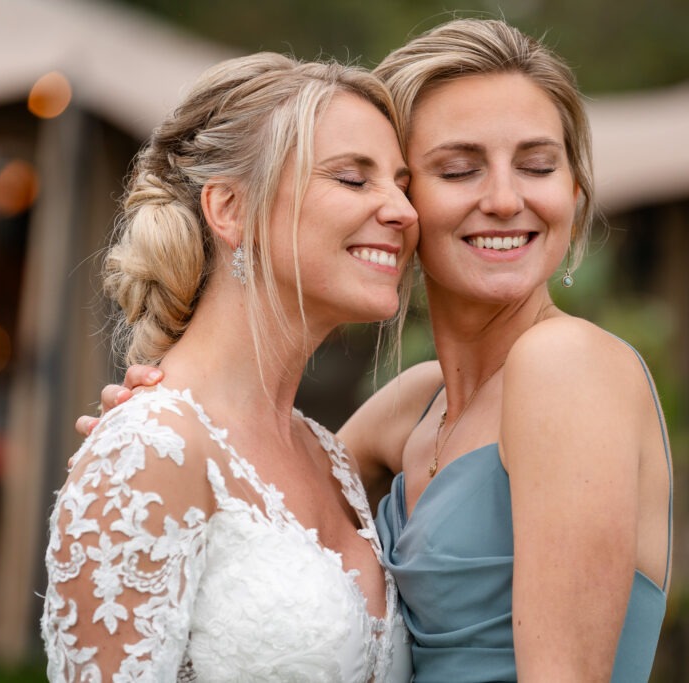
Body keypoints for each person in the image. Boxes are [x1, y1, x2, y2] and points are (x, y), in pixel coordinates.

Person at [81, 18, 673, 683]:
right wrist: (156, 440)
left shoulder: (566, 363)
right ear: (407, 199)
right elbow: (261, 504)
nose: (506, 199)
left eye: (538, 166)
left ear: (574, 193)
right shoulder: (413, 407)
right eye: (458, 168)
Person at [43, 53, 419, 682]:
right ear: (231, 210)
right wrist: (145, 449)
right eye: (353, 180)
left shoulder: (330, 458)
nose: (404, 212)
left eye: (401, 183)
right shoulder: (146, 447)